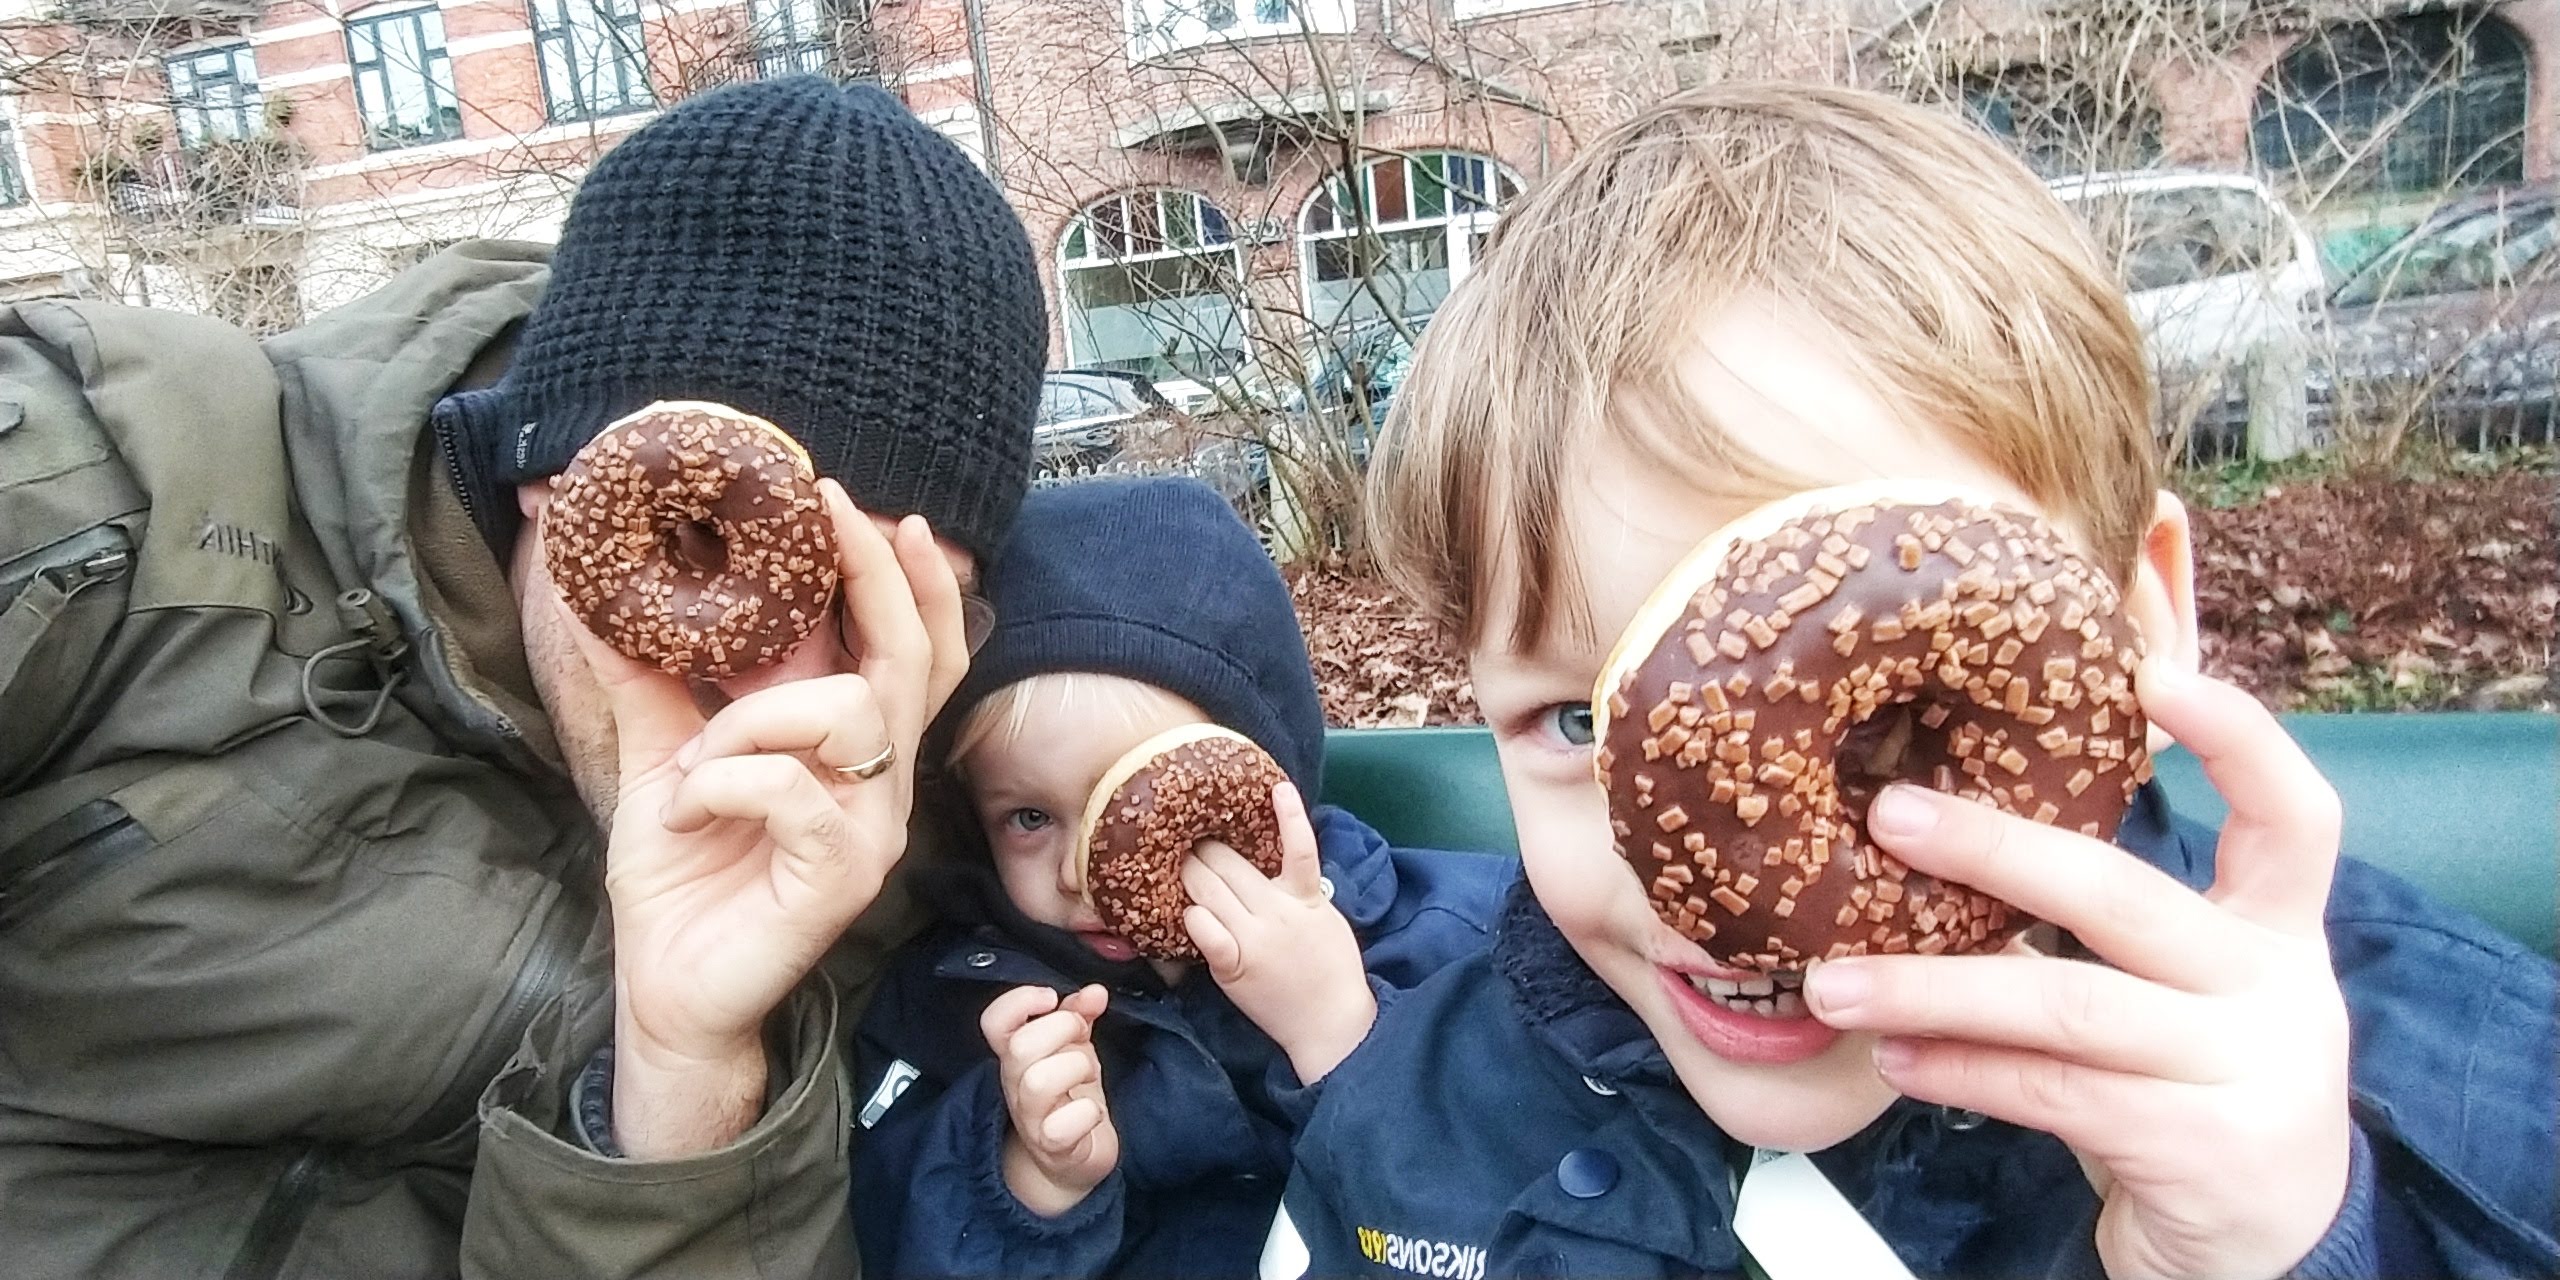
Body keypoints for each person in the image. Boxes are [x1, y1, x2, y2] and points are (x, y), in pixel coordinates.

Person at [1269, 84, 2559, 1280]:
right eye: (1577, 719)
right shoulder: (1407, 1133)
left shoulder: (2478, 1100)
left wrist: (2292, 1249)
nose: (1717, 900)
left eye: (1892, 721)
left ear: (2137, 623)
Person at [0, 77, 1045, 1279]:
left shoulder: (869, 847)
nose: (786, 689)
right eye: (704, 546)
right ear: (559, 476)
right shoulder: (102, 502)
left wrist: (689, 1074)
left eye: (882, 606)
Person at [849, 477, 1512, 1278]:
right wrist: (1030, 1182)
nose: (1081, 874)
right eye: (1029, 817)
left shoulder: (1452, 942)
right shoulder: (957, 1013)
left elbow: (1536, 1192)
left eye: (1139, 811)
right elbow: (886, 1238)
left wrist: (1342, 1034)